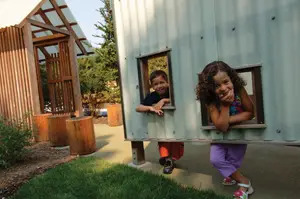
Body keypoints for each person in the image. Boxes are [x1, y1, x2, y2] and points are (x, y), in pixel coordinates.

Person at [196, 61, 254, 199]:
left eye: (226, 82)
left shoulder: (239, 89)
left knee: (233, 160)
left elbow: (250, 113)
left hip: (238, 134)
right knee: (216, 159)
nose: (223, 88)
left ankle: (234, 177)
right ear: (210, 88)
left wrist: (227, 121)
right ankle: (244, 182)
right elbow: (221, 127)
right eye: (217, 86)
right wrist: (226, 106)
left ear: (232, 79)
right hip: (219, 136)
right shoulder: (210, 100)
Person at [136, 70, 184, 174]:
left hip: (176, 124)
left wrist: (163, 101)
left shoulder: (172, 91)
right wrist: (151, 108)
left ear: (168, 82)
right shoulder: (152, 96)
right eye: (155, 84)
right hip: (162, 126)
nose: (159, 86)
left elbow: (181, 99)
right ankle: (168, 160)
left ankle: (170, 160)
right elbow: (138, 108)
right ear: (152, 86)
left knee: (176, 143)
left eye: (162, 82)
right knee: (163, 144)